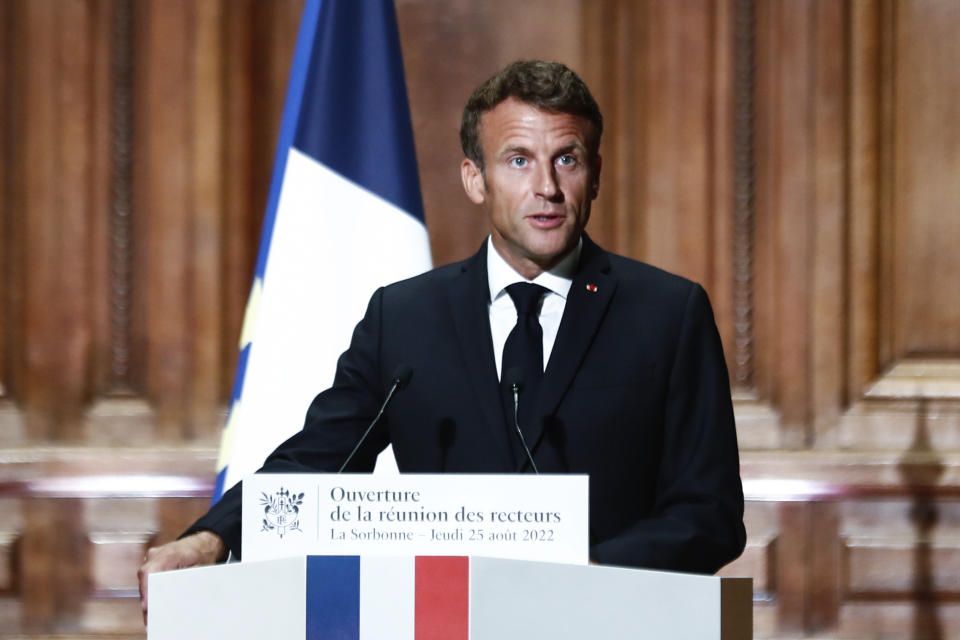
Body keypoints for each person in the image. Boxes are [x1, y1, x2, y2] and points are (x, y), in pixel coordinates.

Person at [138, 59, 746, 619]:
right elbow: (320, 460)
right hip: (443, 621)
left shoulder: (668, 313)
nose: (547, 188)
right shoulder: (404, 317)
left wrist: (593, 573)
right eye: (517, 160)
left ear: (596, 174)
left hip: (611, 620)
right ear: (474, 179)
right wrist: (211, 537)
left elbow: (710, 513)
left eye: (567, 159)